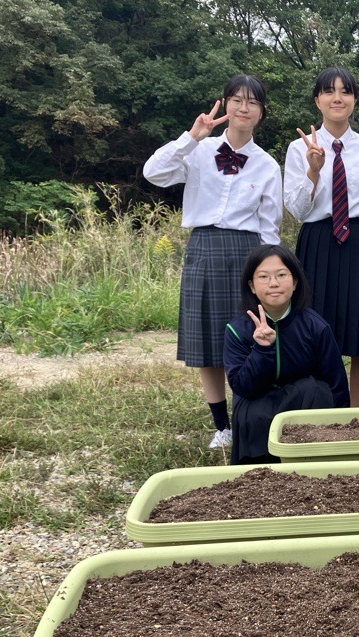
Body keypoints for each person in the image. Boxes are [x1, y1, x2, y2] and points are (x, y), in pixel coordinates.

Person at [143, 74, 282, 450]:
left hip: (246, 253)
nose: (243, 107)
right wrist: (192, 137)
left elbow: (270, 228)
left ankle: (248, 416)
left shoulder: (268, 165)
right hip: (204, 246)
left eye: (252, 102)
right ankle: (222, 426)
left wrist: (268, 274)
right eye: (236, 99)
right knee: (208, 342)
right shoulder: (199, 151)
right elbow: (152, 173)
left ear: (261, 113)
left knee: (248, 338)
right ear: (224, 104)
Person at [283, 66, 359, 408]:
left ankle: (354, 413)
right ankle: (321, 407)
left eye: (345, 91)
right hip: (316, 243)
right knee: (314, 330)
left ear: (354, 100)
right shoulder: (297, 148)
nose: (337, 98)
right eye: (329, 91)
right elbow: (297, 210)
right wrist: (313, 172)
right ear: (318, 100)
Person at [223, 244, 350, 465]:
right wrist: (262, 350)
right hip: (257, 406)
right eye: (264, 277)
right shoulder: (237, 329)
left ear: (295, 282)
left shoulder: (315, 326)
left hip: (304, 405)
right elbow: (243, 387)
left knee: (316, 389)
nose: (273, 283)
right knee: (250, 414)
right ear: (252, 286)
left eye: (281, 275)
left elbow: (336, 384)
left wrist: (342, 432)